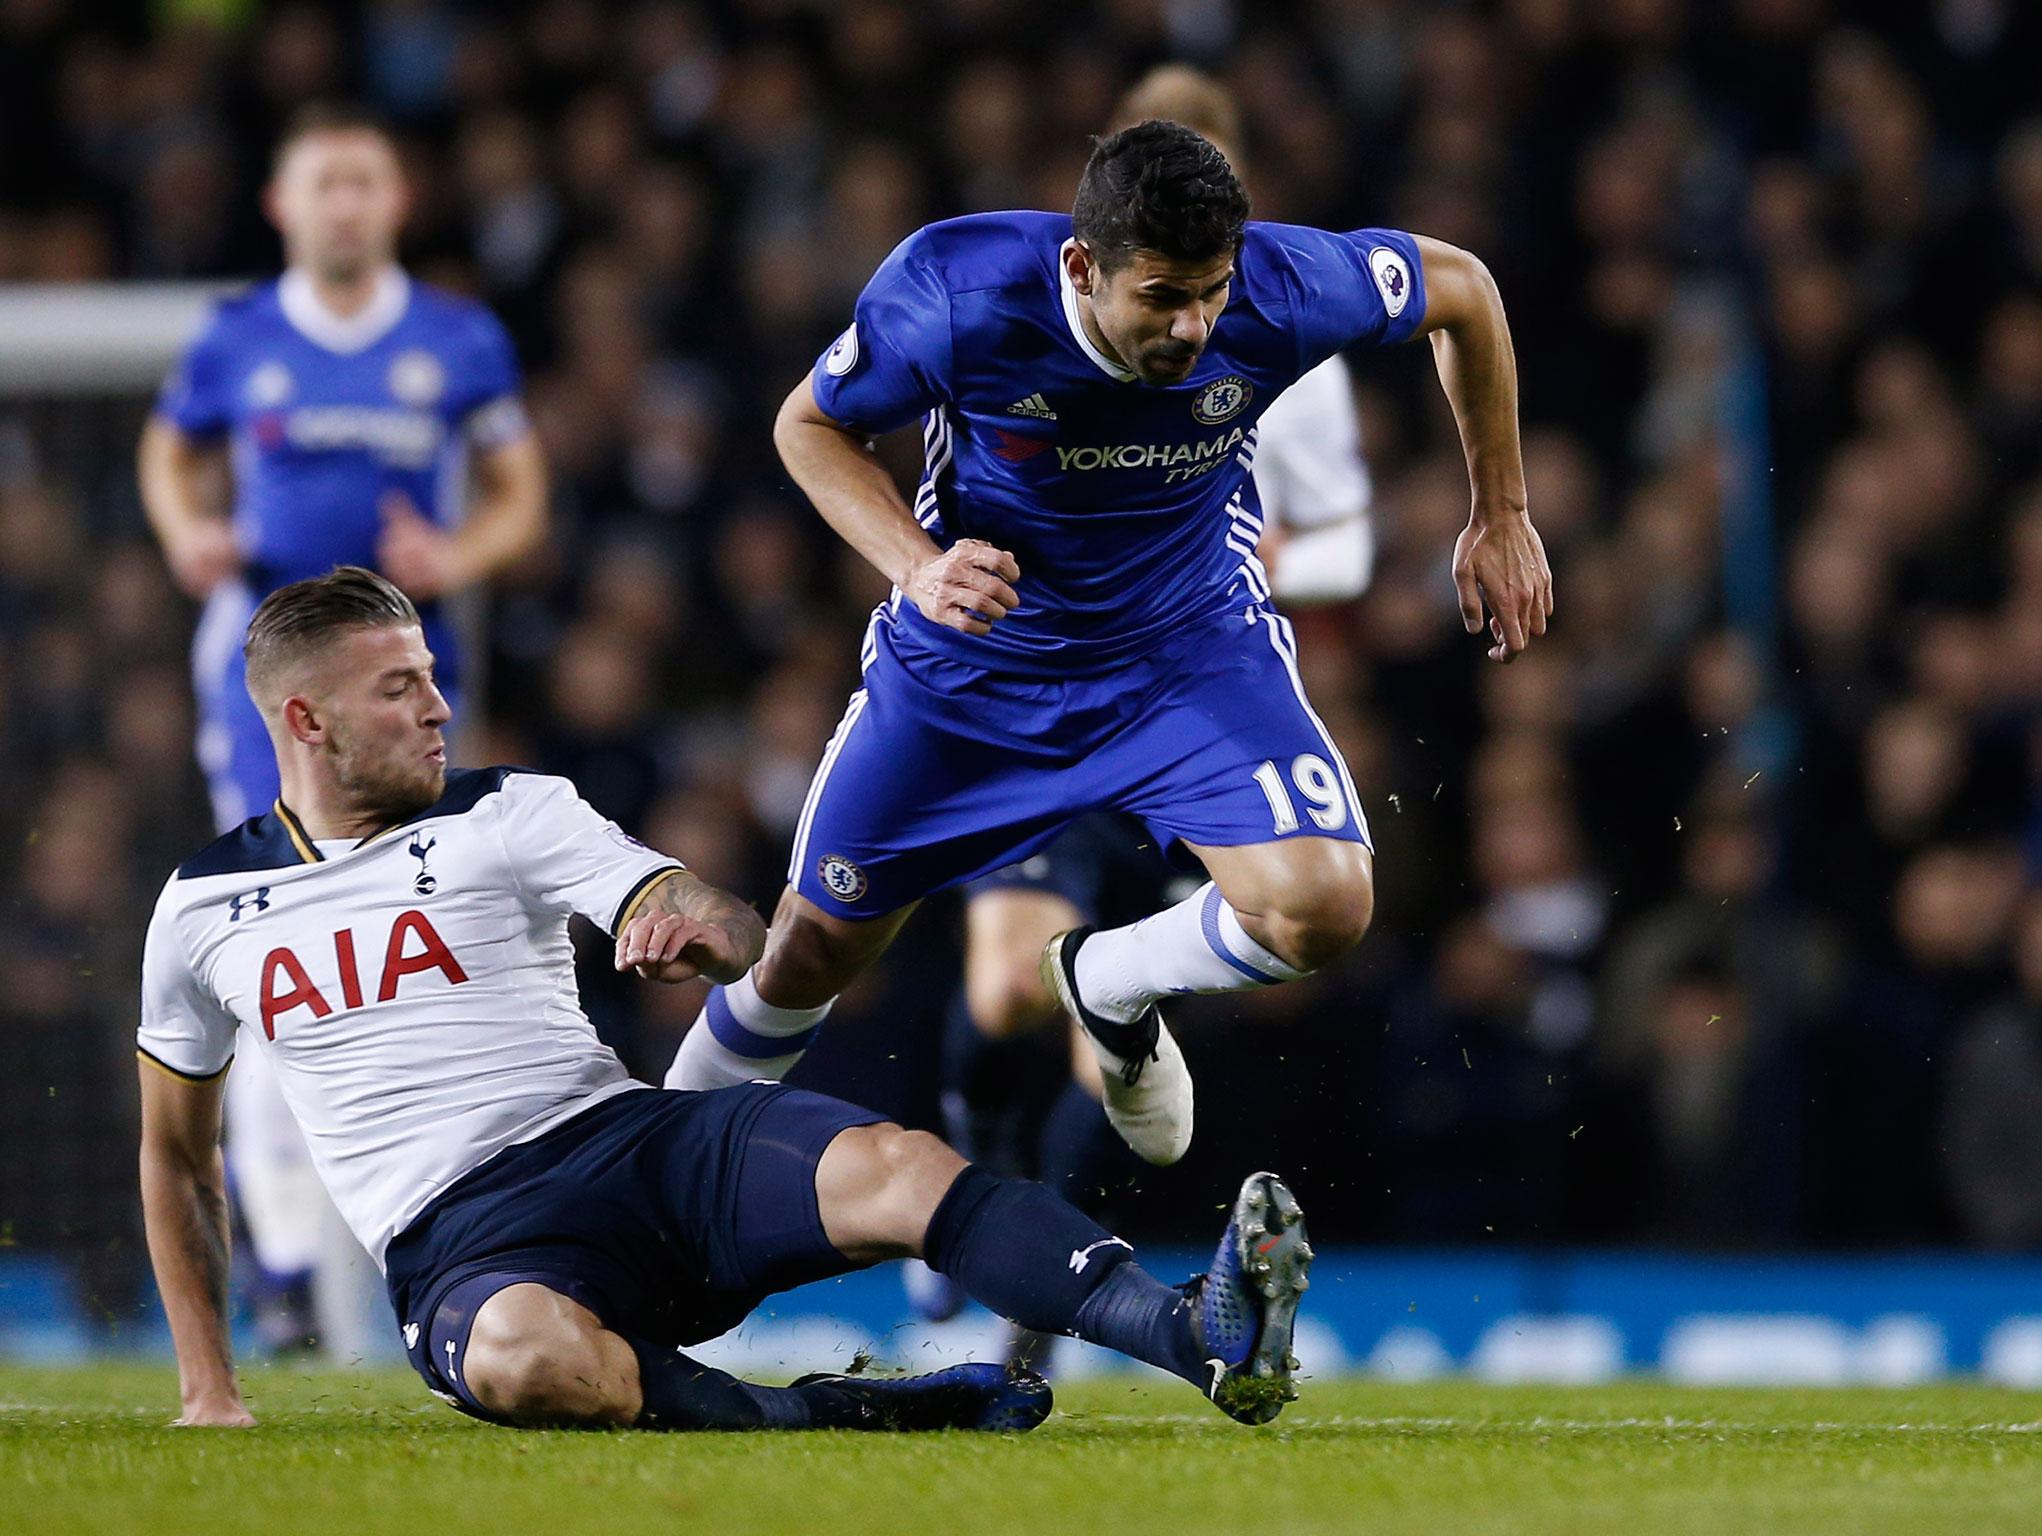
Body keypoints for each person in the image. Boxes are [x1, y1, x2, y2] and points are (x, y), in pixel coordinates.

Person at [137, 566, 1314, 1432]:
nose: (439, 708)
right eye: (400, 690)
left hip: (631, 1147)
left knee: (900, 1166)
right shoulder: (199, 908)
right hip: (462, 1243)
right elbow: (178, 1157)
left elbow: (721, 915)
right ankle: (841, 1417)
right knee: (525, 1363)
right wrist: (209, 1389)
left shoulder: (509, 813)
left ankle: (1195, 1337)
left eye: (433, 679)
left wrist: (694, 926)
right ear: (306, 720)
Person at [664, 119, 1551, 1171]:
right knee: (807, 952)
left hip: (1182, 654)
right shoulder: (959, 289)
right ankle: (638, 1190)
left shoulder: (1282, 288)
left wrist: (1498, 509)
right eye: (1164, 297)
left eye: (1211, 290)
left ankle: (1107, 979)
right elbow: (807, 427)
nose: (1194, 326)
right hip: (978, 670)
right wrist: (914, 565)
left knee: (1324, 908)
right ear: (1081, 267)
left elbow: (1461, 289)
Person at [917, 66, 1380, 1349]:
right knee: (1007, 984)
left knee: (1109, 1018)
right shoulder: (1025, 313)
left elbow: (1344, 541)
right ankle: (977, 1152)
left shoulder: (1278, 332)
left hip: (1188, 690)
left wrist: (1223, 572)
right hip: (1037, 680)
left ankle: (1029, 1294)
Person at [137, 103, 548, 1355]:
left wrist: (457, 550)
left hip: (404, 689)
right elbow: (169, 454)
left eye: (363, 182)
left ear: (395, 201)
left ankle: (421, 1234)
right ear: (282, 205)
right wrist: (185, 534)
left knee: (417, 950)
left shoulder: (456, 340)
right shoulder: (238, 339)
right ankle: (279, 1270)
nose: (344, 205)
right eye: (323, 184)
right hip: (259, 700)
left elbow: (518, 496)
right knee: (278, 961)